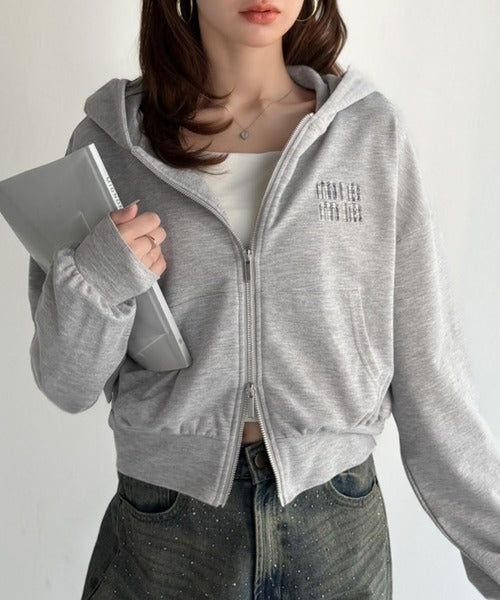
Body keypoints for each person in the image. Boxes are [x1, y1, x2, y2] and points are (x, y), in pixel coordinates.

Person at [26, 0, 500, 598]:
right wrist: (100, 278)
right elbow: (65, 383)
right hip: (166, 529)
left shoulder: (367, 133)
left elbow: (431, 369)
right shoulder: (112, 143)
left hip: (335, 525)